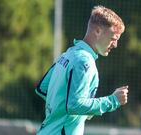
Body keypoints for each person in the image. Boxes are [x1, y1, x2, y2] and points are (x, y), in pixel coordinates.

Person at [35, 5, 128, 135]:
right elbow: (74, 105)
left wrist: (62, 109)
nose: (115, 44)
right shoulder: (84, 61)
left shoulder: (68, 54)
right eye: (114, 38)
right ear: (98, 31)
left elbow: (42, 89)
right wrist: (113, 100)